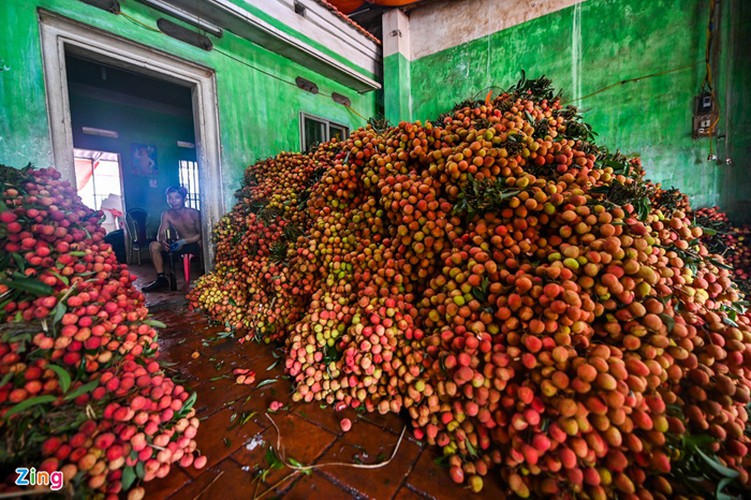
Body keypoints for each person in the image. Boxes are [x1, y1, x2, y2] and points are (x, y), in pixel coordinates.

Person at [142, 186, 202, 292]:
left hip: (194, 242)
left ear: (184, 199)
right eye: (170, 198)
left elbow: (201, 234)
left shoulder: (194, 213)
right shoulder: (167, 214)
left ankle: (204, 275)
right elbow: (161, 233)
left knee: (203, 243)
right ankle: (161, 279)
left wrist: (184, 241)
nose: (173, 201)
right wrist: (162, 241)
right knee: (154, 246)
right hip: (178, 244)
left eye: (177, 197)